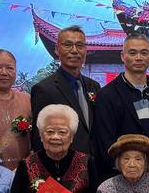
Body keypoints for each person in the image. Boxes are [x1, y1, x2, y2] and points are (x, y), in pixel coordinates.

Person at [92, 34, 149, 179]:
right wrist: (126, 174)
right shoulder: (107, 95)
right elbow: (105, 142)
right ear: (122, 56)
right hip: (119, 178)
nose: (139, 58)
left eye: (144, 53)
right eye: (132, 53)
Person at [29, 26, 100, 161]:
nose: (74, 50)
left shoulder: (94, 86)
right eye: (68, 45)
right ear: (57, 49)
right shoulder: (44, 89)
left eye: (79, 45)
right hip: (64, 165)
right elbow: (39, 137)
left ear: (85, 50)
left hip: (94, 164)